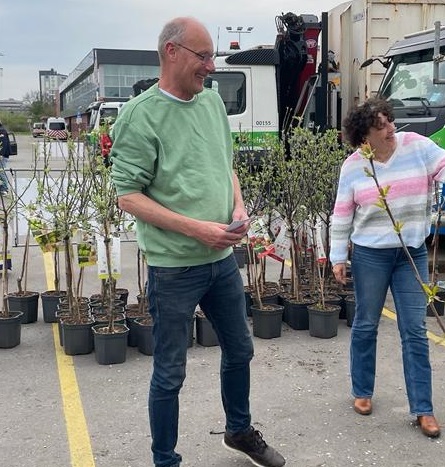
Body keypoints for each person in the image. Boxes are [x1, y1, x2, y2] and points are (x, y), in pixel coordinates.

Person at [110, 17, 285, 467]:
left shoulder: (209, 103)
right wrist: (197, 229)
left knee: (240, 350)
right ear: (171, 52)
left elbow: (224, 164)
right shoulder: (140, 115)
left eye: (211, 57)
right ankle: (165, 459)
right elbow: (127, 196)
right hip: (174, 267)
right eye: (202, 56)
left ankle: (239, 431)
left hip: (222, 258)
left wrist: (238, 207)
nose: (210, 66)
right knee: (170, 373)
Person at [329, 97, 445, 438]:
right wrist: (337, 258)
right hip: (370, 255)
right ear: (364, 137)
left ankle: (423, 408)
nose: (390, 129)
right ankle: (362, 390)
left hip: (411, 254)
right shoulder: (354, 166)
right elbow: (342, 214)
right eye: (380, 126)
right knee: (365, 324)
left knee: (415, 331)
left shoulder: (416, 147)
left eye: (389, 121)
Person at [0, 122, 11, 195]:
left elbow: (3, 144)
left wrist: (1, 154)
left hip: (3, 156)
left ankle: (5, 188)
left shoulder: (2, 131)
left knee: (1, 171)